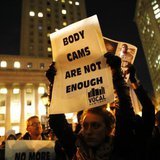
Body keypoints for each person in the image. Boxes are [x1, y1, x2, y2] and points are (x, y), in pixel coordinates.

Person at [46, 53, 137, 160]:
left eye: (95, 125)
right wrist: (55, 85)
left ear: (108, 128)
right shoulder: (75, 147)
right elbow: (57, 121)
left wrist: (117, 74)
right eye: (85, 125)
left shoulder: (119, 148)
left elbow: (126, 110)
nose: (88, 131)